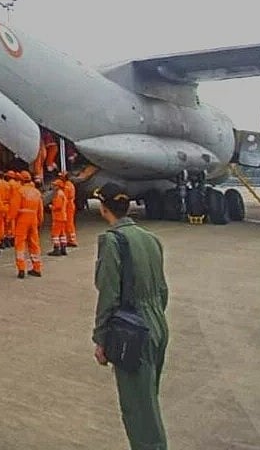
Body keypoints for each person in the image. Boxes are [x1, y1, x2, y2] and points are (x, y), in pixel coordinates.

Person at [92, 183, 169, 450]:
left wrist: (101, 339)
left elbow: (109, 294)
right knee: (147, 399)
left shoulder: (112, 241)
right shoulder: (150, 238)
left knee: (138, 410)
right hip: (157, 324)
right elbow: (162, 290)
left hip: (131, 329)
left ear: (103, 208)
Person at [10, 171, 44, 279]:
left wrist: (9, 218)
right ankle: (37, 268)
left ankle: (21, 269)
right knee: (34, 243)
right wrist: (39, 221)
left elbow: (14, 207)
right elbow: (40, 209)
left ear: (21, 180)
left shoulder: (20, 191)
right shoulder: (37, 192)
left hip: (22, 219)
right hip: (33, 218)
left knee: (20, 243)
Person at [48, 175, 69, 257]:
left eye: (54, 185)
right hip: (63, 216)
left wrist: (51, 207)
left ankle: (56, 249)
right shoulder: (62, 193)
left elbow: (58, 206)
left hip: (58, 217)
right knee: (62, 234)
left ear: (58, 186)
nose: (53, 187)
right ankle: (63, 248)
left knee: (55, 234)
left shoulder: (58, 194)